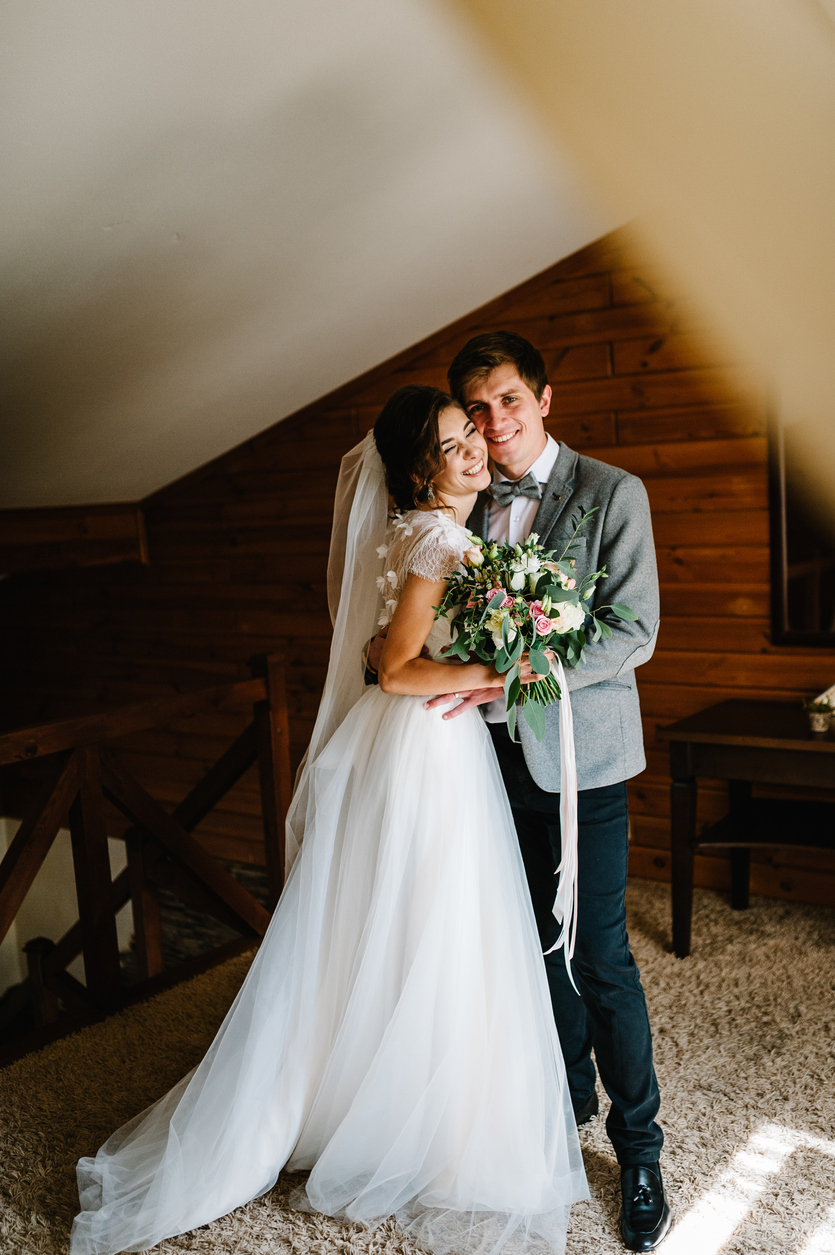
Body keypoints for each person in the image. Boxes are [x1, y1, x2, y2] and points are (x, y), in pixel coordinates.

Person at [69, 385, 588, 1255]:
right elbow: (391, 669)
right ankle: (407, 1120)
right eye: (455, 439)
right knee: (433, 921)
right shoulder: (436, 536)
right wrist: (501, 678)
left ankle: (380, 1096)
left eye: (472, 435)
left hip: (416, 748)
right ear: (422, 465)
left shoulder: (416, 532)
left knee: (397, 922)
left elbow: (389, 649)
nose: (471, 448)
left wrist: (490, 659)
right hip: (424, 749)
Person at [424, 331, 672, 1253]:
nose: (494, 426)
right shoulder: (463, 502)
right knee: (530, 948)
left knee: (597, 955)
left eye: (509, 404)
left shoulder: (611, 492)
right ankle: (562, 1106)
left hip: (583, 761)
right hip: (485, 768)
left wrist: (514, 673)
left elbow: (631, 629)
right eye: (478, 412)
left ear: (544, 399)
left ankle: (639, 1151)